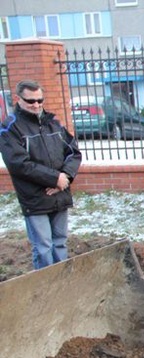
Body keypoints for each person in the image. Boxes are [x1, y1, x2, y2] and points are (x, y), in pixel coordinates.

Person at [0, 80, 81, 269]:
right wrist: (54, 178)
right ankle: (45, 288)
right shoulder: (10, 128)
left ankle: (62, 282)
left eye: (39, 100)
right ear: (17, 99)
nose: (36, 105)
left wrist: (65, 177)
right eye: (30, 101)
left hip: (60, 192)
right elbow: (19, 164)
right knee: (43, 247)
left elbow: (73, 152)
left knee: (60, 242)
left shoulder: (53, 123)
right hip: (34, 197)